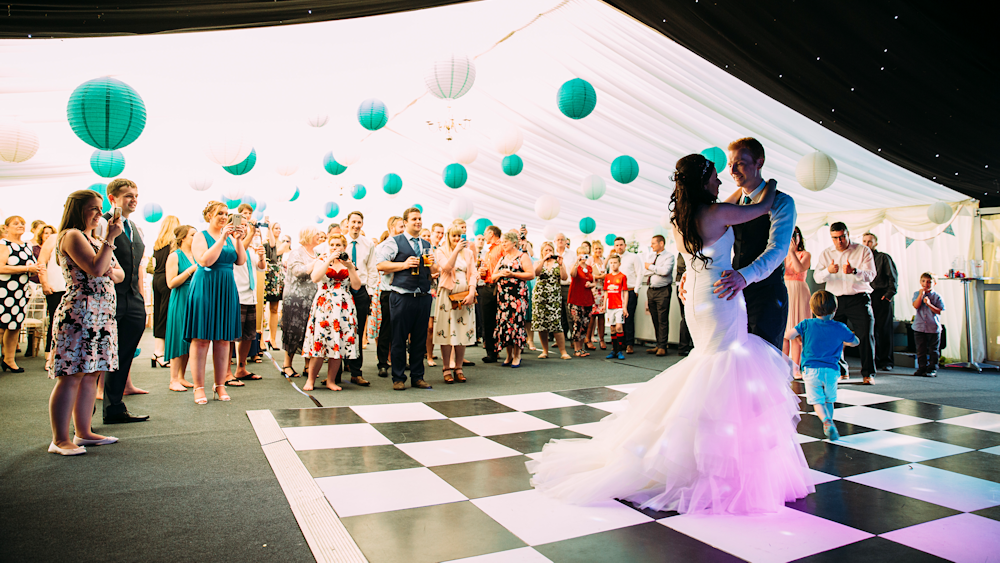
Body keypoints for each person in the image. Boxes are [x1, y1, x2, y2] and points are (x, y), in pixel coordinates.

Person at [528, 153, 811, 515]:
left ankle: (688, 450)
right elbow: (766, 204)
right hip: (721, 294)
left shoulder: (681, 217)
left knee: (708, 362)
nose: (722, 180)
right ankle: (716, 461)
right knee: (725, 365)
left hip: (697, 292)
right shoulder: (718, 211)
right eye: (714, 176)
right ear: (702, 181)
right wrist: (768, 180)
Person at [47, 190, 126, 455]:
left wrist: (105, 257)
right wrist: (110, 243)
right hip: (79, 314)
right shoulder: (72, 235)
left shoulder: (96, 239)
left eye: (99, 208)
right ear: (77, 209)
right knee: (71, 375)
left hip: (101, 315)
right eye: (93, 208)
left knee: (92, 374)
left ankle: (83, 432)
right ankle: (59, 439)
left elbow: (119, 273)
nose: (98, 213)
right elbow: (96, 268)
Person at [713, 137, 797, 351]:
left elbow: (778, 250)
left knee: (764, 359)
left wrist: (744, 276)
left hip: (767, 294)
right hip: (736, 292)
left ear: (759, 163)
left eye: (740, 162)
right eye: (730, 164)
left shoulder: (781, 202)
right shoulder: (731, 204)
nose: (732, 169)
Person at [185, 201, 245, 404]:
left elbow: (240, 261)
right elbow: (205, 261)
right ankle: (198, 387)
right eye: (219, 213)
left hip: (227, 287)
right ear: (209, 215)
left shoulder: (230, 237)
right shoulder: (201, 236)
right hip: (206, 285)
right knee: (201, 339)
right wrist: (222, 237)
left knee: (223, 339)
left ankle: (220, 385)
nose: (223, 216)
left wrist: (237, 240)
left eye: (226, 213)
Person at [101, 179, 150, 423]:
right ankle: (85, 418)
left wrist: (140, 299)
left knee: (124, 355)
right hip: (108, 299)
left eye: (136, 195)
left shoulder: (135, 228)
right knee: (102, 355)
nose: (134, 199)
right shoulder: (101, 224)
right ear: (112, 198)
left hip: (132, 299)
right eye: (128, 195)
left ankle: (115, 408)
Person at [375, 207, 439, 390]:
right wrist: (403, 264)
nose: (418, 222)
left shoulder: (426, 244)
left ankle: (418, 376)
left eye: (420, 219)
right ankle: (398, 377)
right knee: (399, 338)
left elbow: (434, 272)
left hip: (423, 296)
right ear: (405, 222)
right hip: (401, 296)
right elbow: (380, 264)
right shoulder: (394, 242)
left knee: (419, 338)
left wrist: (432, 264)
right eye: (414, 219)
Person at [786, 290, 860, 440]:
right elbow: (855, 342)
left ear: (812, 309)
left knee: (817, 401)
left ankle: (825, 421)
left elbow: (788, 335)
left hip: (811, 370)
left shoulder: (807, 324)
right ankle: (830, 422)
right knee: (829, 400)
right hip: (831, 370)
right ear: (834, 310)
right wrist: (844, 340)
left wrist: (801, 338)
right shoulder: (840, 327)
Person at [813, 222, 878, 384]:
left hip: (859, 298)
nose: (839, 241)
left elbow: (871, 275)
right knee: (834, 337)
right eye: (835, 238)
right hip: (835, 300)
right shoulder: (826, 254)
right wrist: (828, 271)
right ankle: (842, 371)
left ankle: (868, 373)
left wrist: (855, 271)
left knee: (865, 335)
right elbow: (817, 277)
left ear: (848, 234)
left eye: (842, 237)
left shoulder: (863, 251)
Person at [302, 234, 362, 391]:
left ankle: (331, 380)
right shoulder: (322, 260)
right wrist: (328, 260)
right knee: (320, 343)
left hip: (343, 306)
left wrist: (350, 267)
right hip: (324, 305)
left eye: (339, 245)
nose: (336, 248)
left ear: (344, 247)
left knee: (338, 344)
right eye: (333, 245)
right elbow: (315, 278)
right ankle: (310, 380)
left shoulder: (349, 264)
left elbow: (356, 286)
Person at [433, 226, 477, 383]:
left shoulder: (469, 253)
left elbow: (473, 274)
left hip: (464, 295)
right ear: (448, 236)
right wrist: (456, 250)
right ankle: (446, 368)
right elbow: (446, 267)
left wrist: (472, 292)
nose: (457, 239)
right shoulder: (440, 250)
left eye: (460, 236)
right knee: (446, 331)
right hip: (447, 295)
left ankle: (459, 367)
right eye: (454, 236)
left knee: (461, 331)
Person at [226, 216, 267, 385]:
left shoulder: (249, 247)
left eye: (246, 226)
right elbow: (237, 254)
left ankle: (241, 368)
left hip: (250, 295)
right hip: (237, 294)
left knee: (248, 335)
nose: (245, 228)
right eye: (241, 225)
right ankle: (226, 372)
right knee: (230, 336)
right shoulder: (229, 243)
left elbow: (260, 267)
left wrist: (262, 257)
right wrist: (250, 234)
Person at [281, 227, 325, 376]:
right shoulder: (296, 253)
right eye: (316, 234)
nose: (319, 236)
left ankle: (308, 366)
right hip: (295, 298)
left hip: (313, 297)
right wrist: (316, 263)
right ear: (308, 236)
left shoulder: (318, 253)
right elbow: (298, 272)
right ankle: (287, 364)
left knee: (309, 331)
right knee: (293, 330)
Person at [0, 216, 40, 372]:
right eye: (15, 223)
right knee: (2, 326)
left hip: (20, 291)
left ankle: (9, 360)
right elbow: (1, 268)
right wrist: (26, 269)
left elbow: (30, 266)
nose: (20, 225)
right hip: (4, 291)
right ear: (6, 227)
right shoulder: (4, 245)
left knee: (14, 326)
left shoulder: (26, 245)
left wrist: (35, 270)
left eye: (22, 223)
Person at [343, 211, 377, 384]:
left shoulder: (368, 244)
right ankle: (338, 370)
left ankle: (356, 372)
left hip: (361, 291)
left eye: (359, 222)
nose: (356, 225)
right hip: (342, 290)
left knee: (358, 331)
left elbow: (372, 269)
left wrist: (370, 293)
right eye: (353, 222)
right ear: (347, 223)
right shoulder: (340, 242)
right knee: (340, 329)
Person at [492, 230, 534, 367]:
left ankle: (517, 355)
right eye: (502, 242)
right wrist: (501, 274)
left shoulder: (523, 256)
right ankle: (508, 355)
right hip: (503, 297)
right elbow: (493, 277)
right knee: (504, 325)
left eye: (505, 242)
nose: (503, 244)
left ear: (514, 242)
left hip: (518, 297)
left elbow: (531, 274)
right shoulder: (502, 258)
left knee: (516, 324)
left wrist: (513, 274)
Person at [164, 225, 197, 392]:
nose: (195, 237)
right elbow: (171, 283)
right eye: (192, 235)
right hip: (180, 298)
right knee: (178, 337)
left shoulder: (197, 256)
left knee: (189, 339)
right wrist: (190, 270)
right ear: (183, 238)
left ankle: (182, 377)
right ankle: (173, 379)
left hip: (195, 300)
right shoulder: (174, 256)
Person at [375, 216, 406, 377]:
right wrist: (403, 266)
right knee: (386, 328)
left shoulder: (406, 244)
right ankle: (382, 363)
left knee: (401, 329)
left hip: (404, 291)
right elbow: (381, 268)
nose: (403, 229)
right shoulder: (382, 247)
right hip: (388, 291)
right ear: (392, 227)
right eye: (401, 227)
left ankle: (399, 360)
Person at [863, 232, 898, 370]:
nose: (867, 244)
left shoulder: (883, 257)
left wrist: (889, 294)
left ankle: (886, 362)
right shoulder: (861, 259)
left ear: (875, 243)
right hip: (866, 295)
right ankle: (873, 361)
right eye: (864, 241)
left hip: (882, 295)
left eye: (870, 241)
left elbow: (893, 277)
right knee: (870, 330)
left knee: (884, 330)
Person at [533, 241, 571, 360]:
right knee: (542, 325)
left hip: (553, 297)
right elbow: (536, 273)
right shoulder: (538, 262)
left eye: (550, 250)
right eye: (546, 250)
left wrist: (560, 264)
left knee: (556, 324)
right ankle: (545, 351)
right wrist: (543, 260)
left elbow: (564, 277)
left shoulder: (558, 263)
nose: (549, 253)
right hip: (540, 297)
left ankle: (563, 351)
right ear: (542, 252)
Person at [150, 215, 180, 368]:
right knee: (165, 316)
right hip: (168, 280)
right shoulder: (173, 244)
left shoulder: (157, 244)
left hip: (156, 279)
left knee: (158, 314)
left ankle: (158, 350)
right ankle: (160, 352)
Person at [783, 226, 812, 376]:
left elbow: (799, 269)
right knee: (784, 333)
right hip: (785, 289)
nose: (792, 238)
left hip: (799, 292)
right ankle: (783, 367)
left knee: (796, 334)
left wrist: (792, 252)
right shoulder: (780, 254)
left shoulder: (805, 254)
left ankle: (796, 368)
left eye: (795, 235)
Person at [37, 224, 66, 372]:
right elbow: (41, 262)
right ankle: (50, 356)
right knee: (55, 322)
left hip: (74, 288)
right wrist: (44, 283)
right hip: (55, 287)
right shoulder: (53, 238)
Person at [644, 234, 675, 356]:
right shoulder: (651, 255)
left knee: (662, 319)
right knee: (655, 318)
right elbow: (644, 271)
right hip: (651, 290)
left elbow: (665, 272)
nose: (651, 245)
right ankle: (658, 344)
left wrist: (651, 267)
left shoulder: (669, 256)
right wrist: (655, 269)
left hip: (663, 290)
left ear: (661, 243)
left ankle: (663, 346)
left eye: (653, 243)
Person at [476, 225, 503, 363]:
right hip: (487, 286)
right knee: (487, 320)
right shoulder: (487, 252)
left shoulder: (502, 247)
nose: (484, 236)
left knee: (499, 320)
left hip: (498, 286)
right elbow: (486, 272)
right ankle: (491, 351)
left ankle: (498, 350)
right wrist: (482, 273)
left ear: (492, 233)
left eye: (485, 234)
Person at [611, 237, 642, 353]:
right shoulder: (613, 259)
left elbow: (640, 272)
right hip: (616, 293)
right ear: (614, 247)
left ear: (625, 245)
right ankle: (621, 343)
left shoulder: (633, 257)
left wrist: (637, 290)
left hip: (629, 290)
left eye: (621, 245)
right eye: (617, 245)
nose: (619, 247)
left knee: (628, 318)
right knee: (618, 318)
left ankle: (629, 344)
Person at [263, 220, 290, 349]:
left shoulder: (283, 244)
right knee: (261, 309)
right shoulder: (263, 243)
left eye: (280, 228)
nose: (278, 230)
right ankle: (260, 339)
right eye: (275, 228)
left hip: (276, 277)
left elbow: (274, 254)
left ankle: (272, 339)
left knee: (274, 309)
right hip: (264, 275)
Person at [912, 273, 945, 377]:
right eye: (923, 281)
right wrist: (921, 296)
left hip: (933, 327)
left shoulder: (937, 296)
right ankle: (922, 367)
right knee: (920, 349)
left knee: (933, 350)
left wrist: (929, 304)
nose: (926, 284)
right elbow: (916, 306)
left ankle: (932, 369)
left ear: (934, 283)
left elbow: (939, 311)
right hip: (919, 327)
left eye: (929, 282)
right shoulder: (917, 294)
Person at [567, 245, 594, 357]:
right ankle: (577, 348)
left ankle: (581, 348)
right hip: (576, 299)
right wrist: (577, 262)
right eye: (581, 254)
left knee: (585, 324)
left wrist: (590, 284)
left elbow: (594, 282)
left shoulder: (590, 268)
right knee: (577, 324)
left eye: (585, 254)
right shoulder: (574, 266)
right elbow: (573, 275)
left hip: (587, 298)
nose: (583, 256)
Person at [603, 254, 629, 360]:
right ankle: (614, 350)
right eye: (611, 263)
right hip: (610, 306)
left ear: (619, 264)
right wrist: (604, 305)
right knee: (612, 328)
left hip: (619, 306)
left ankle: (620, 351)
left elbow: (625, 292)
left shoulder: (622, 276)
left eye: (615, 263)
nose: (613, 265)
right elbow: (606, 292)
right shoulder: (607, 277)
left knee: (619, 327)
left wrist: (625, 307)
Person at [586, 240, 607, 351]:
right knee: (592, 315)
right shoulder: (590, 260)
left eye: (599, 249)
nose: (598, 251)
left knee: (601, 315)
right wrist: (599, 277)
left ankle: (602, 339)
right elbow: (588, 274)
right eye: (596, 249)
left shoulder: (604, 260)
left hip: (602, 290)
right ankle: (588, 338)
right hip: (593, 290)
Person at [673, 253, 693, 356]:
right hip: (684, 285)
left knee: (691, 316)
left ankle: (690, 345)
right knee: (687, 316)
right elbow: (681, 267)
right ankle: (683, 347)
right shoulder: (684, 249)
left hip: (694, 284)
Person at [554, 233, 572, 337]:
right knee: (558, 313)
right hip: (555, 286)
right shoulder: (551, 253)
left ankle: (573, 339)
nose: (560, 241)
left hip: (568, 286)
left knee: (569, 313)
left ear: (566, 241)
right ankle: (560, 337)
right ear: (555, 242)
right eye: (558, 239)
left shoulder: (572, 254)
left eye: (562, 239)